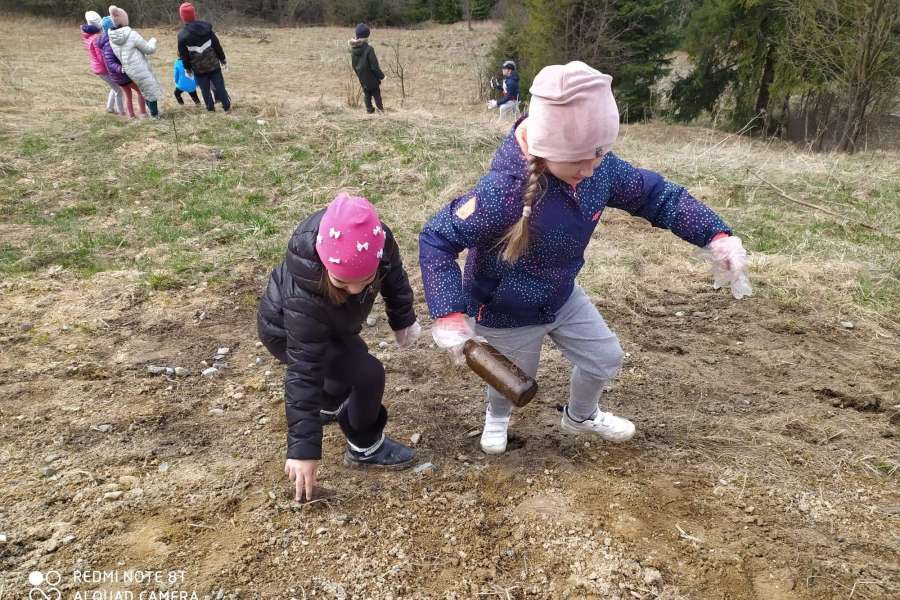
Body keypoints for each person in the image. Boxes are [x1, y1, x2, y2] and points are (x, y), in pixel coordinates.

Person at [419, 61, 751, 455]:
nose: (591, 170)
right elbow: (437, 237)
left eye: (598, 156)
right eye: (579, 161)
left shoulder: (599, 169)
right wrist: (449, 314)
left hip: (561, 295)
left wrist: (715, 235)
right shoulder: (501, 194)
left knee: (605, 357)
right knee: (509, 378)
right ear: (545, 150)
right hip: (506, 308)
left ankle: (580, 415)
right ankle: (498, 417)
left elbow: (658, 197)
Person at [257, 193, 422, 501]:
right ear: (323, 261)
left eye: (364, 279)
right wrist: (303, 450)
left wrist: (403, 319)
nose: (356, 289)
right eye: (342, 282)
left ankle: (327, 404)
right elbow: (304, 371)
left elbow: (395, 277)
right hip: (287, 331)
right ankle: (365, 445)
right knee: (368, 374)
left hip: (334, 325)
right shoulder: (303, 296)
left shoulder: (378, 242)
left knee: (345, 361)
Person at [107, 5, 164, 118]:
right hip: (140, 67)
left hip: (129, 70)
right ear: (124, 19)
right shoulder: (131, 34)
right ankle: (155, 116)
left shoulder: (111, 38)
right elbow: (149, 49)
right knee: (149, 91)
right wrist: (153, 40)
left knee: (144, 90)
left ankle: (152, 113)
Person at [176, 2, 231, 112]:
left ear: (183, 17)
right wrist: (222, 59)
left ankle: (210, 109)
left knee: (205, 89)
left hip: (199, 69)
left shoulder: (182, 35)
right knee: (219, 86)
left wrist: (187, 68)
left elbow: (184, 55)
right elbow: (216, 44)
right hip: (213, 65)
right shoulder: (207, 27)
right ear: (194, 14)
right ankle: (227, 106)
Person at [97, 15, 147, 119]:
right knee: (141, 91)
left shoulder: (107, 42)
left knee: (128, 94)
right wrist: (120, 68)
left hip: (117, 76)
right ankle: (143, 113)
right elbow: (110, 62)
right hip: (122, 75)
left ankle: (131, 116)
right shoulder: (109, 44)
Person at [80, 10, 124, 116]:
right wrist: (112, 65)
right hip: (102, 69)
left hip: (98, 68)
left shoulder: (88, 36)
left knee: (115, 87)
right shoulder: (96, 39)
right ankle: (122, 112)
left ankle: (109, 108)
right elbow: (101, 57)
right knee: (119, 90)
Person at [349, 23, 385, 114]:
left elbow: (354, 65)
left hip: (362, 78)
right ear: (367, 36)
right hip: (372, 78)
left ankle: (369, 110)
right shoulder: (369, 49)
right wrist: (381, 76)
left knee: (367, 94)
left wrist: (360, 75)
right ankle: (380, 111)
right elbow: (374, 66)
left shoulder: (353, 50)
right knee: (377, 94)